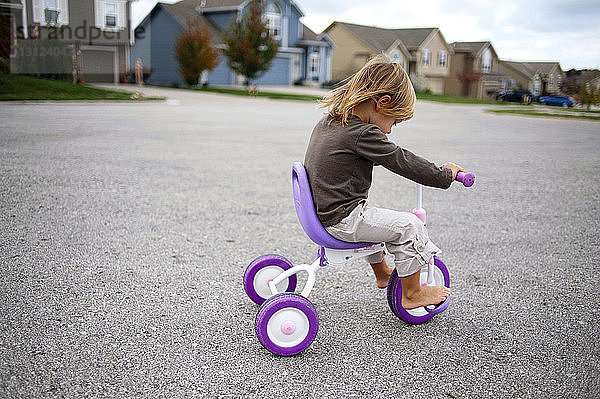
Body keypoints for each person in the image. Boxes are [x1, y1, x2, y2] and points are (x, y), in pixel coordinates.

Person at [304, 54, 464, 310]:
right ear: (382, 102)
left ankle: (382, 274)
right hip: (342, 220)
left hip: (324, 214)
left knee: (377, 217)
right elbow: (401, 159)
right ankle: (411, 294)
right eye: (394, 120)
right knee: (408, 226)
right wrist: (444, 174)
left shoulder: (332, 122)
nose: (389, 130)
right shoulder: (362, 133)